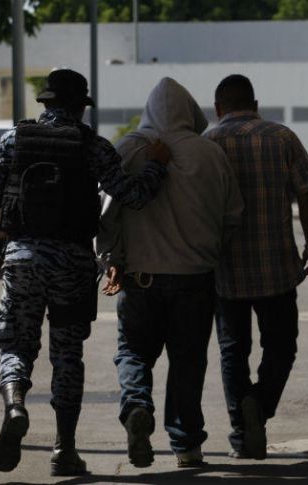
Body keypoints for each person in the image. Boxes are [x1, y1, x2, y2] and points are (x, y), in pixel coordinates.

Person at [0, 69, 171, 476]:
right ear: (81, 108)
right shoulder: (93, 146)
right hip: (73, 264)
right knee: (67, 355)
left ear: (45, 103)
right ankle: (65, 450)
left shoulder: (13, 140)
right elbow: (132, 196)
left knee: (16, 344)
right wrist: (155, 167)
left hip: (21, 258)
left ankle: (15, 404)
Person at [96, 77, 244, 468]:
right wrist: (209, 250)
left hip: (139, 278)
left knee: (133, 352)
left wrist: (110, 259)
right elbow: (233, 215)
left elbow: (106, 214)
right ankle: (186, 445)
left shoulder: (128, 149)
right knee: (187, 362)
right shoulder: (210, 153)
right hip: (195, 278)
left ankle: (136, 407)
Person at [204, 74, 308, 460]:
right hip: (277, 267)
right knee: (282, 346)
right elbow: (305, 195)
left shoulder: (209, 144)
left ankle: (242, 432)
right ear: (256, 104)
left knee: (233, 352)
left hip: (226, 270)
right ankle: (261, 403)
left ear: (217, 108)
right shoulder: (282, 137)